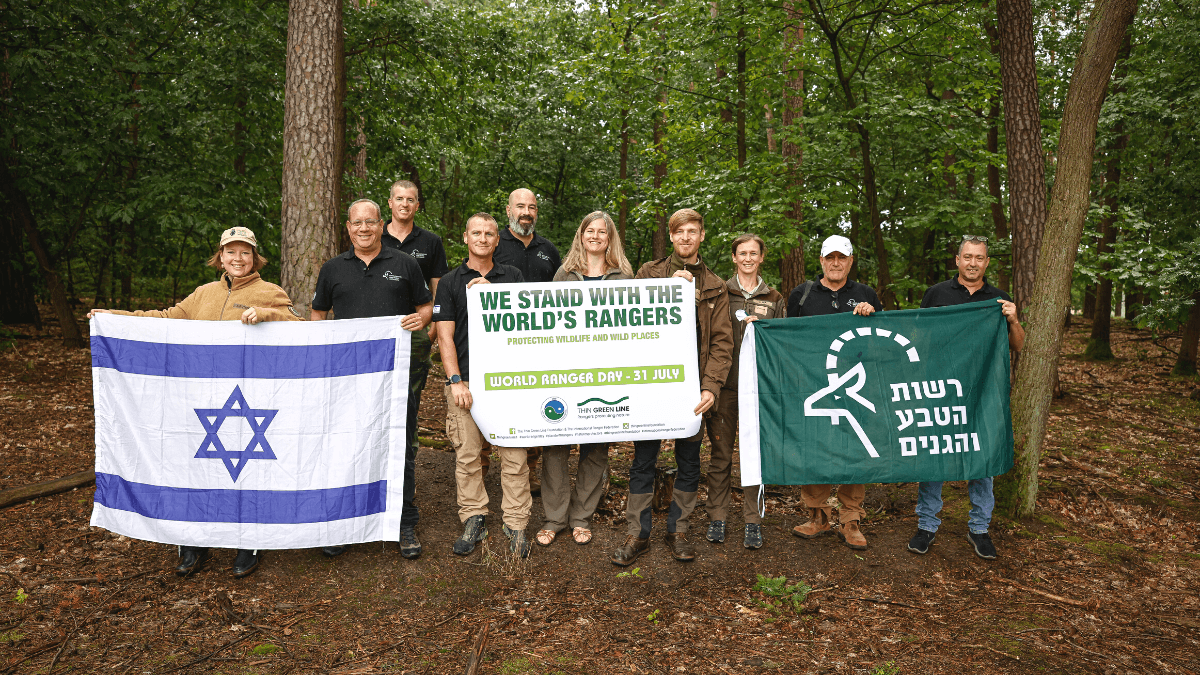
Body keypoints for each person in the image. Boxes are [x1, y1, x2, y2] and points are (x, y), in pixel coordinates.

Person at [88, 226, 302, 579]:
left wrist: (266, 314)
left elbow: (298, 326)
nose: (238, 258)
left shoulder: (269, 292)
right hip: (198, 395)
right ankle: (193, 540)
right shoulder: (204, 293)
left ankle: (247, 540)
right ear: (220, 256)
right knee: (195, 467)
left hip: (248, 398)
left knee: (243, 470)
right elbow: (166, 318)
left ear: (255, 257)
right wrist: (114, 317)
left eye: (245, 252)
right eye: (231, 252)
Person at [310, 198, 433, 560]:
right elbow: (318, 314)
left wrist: (422, 319)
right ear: (348, 228)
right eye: (357, 223)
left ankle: (403, 521)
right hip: (347, 376)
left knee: (400, 442)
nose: (364, 228)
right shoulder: (333, 269)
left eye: (370, 222)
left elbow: (426, 306)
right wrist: (326, 350)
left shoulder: (405, 263)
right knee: (346, 443)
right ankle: (344, 521)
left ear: (381, 225)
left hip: (395, 374)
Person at [611, 208, 733, 565]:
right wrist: (668, 290)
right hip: (651, 386)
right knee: (643, 459)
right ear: (671, 236)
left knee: (689, 460)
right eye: (679, 232)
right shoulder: (649, 273)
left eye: (692, 231)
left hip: (692, 389)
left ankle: (678, 530)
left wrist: (710, 387)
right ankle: (638, 533)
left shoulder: (715, 285)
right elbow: (628, 318)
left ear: (702, 236)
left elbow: (722, 342)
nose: (686, 238)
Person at [907, 234, 1025, 560]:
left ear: (986, 263)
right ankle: (926, 525)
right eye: (968, 257)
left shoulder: (998, 300)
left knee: (981, 456)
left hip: (982, 390)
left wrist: (1013, 319)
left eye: (979, 258)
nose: (973, 263)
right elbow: (916, 336)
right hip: (939, 388)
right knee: (934, 454)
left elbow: (1018, 345)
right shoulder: (936, 294)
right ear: (958, 260)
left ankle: (979, 528)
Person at [433, 213, 533, 557]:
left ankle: (516, 522)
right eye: (476, 232)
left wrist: (495, 298)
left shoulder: (513, 277)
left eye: (489, 233)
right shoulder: (450, 281)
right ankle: (474, 517)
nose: (483, 238)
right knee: (468, 456)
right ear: (466, 237)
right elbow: (444, 337)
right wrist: (455, 381)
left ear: (497, 240)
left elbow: (527, 325)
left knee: (514, 455)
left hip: (508, 383)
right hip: (467, 382)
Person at [536, 212, 633, 548]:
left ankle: (581, 518)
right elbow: (547, 321)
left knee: (596, 448)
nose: (595, 236)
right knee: (555, 445)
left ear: (610, 238)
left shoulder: (623, 278)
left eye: (601, 232)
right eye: (589, 230)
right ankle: (554, 518)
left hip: (606, 375)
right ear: (581, 235)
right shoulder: (564, 274)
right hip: (565, 372)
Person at [787, 234, 881, 551]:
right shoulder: (802, 295)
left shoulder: (866, 295)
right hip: (813, 383)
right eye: (830, 257)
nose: (836, 263)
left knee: (856, 447)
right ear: (821, 261)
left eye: (842, 257)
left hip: (856, 385)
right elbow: (787, 338)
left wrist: (872, 314)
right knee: (814, 446)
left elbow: (879, 339)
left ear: (851, 261)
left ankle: (851, 519)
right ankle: (818, 515)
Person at [705, 233, 786, 550]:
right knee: (721, 455)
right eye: (742, 253)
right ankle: (717, 517)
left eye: (754, 253)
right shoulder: (720, 292)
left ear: (762, 257)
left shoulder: (775, 297)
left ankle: (753, 521)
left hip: (757, 391)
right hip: (724, 387)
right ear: (734, 258)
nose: (748, 258)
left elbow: (781, 344)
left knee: (753, 455)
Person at [492, 188, 561, 494]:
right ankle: (486, 468)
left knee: (535, 405)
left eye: (532, 207)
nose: (526, 212)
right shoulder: (494, 243)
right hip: (500, 342)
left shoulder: (549, 249)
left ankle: (530, 470)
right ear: (509, 210)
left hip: (541, 346)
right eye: (520, 206)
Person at [381, 180, 450, 464]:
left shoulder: (430, 242)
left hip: (415, 334)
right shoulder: (373, 235)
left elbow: (439, 290)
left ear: (417, 205)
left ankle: (406, 465)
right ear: (390, 203)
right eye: (399, 199)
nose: (404, 204)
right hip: (378, 333)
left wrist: (431, 331)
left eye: (410, 200)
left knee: (408, 403)